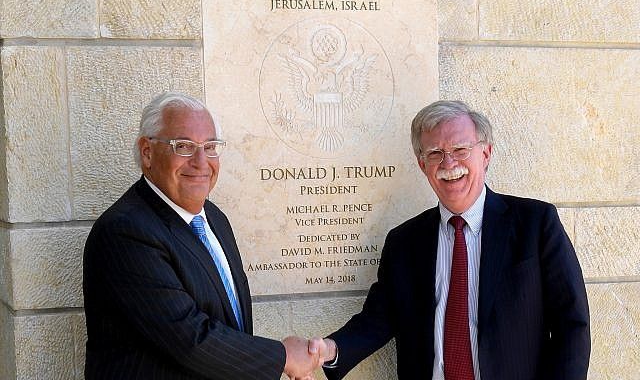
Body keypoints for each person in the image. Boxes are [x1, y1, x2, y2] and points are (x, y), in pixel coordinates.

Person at [312, 100, 591, 379]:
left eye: (460, 149)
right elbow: (377, 320)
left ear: (486, 153)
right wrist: (330, 350)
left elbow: (572, 324)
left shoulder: (536, 223)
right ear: (422, 165)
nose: (449, 163)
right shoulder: (404, 242)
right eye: (435, 153)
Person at [83, 91, 322, 379]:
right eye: (183, 146)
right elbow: (190, 339)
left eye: (210, 147)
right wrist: (282, 357)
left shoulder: (214, 218)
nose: (200, 161)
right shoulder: (125, 232)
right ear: (147, 152)